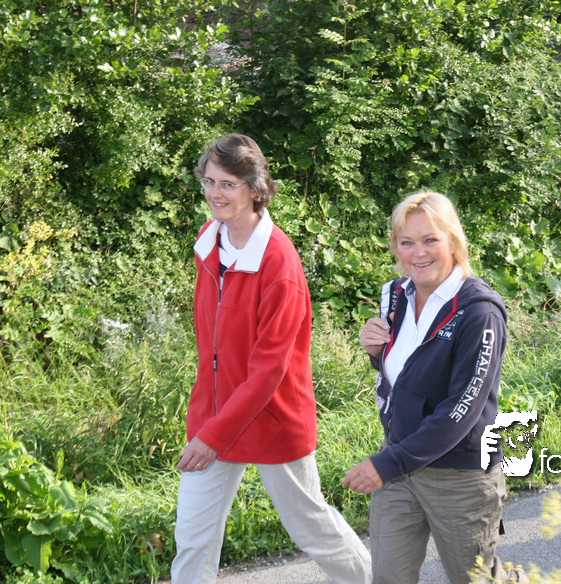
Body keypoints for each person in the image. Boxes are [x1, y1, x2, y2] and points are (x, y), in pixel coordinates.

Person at [173, 133, 372, 584]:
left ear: (254, 188)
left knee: (310, 526)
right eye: (209, 181)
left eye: (227, 184)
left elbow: (269, 370)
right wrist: (209, 424)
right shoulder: (208, 241)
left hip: (272, 416)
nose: (214, 193)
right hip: (215, 413)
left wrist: (212, 437)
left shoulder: (279, 261)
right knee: (193, 537)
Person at [343, 191, 510, 584]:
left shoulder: (480, 311)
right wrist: (376, 353)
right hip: (401, 467)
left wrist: (386, 464)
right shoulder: (396, 297)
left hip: (460, 476)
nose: (418, 253)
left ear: (453, 241)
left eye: (430, 240)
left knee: (476, 580)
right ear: (395, 247)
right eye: (407, 242)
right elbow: (410, 376)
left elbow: (461, 410)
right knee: (388, 578)